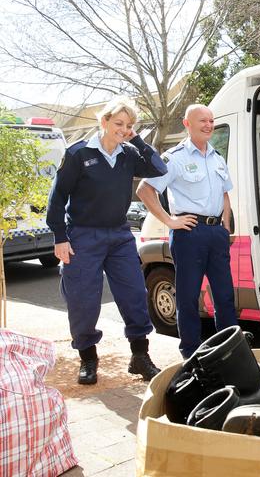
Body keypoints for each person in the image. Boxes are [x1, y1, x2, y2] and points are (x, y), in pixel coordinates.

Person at [46, 96, 166, 385]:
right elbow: (57, 196)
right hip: (83, 236)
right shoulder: (78, 153)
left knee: (135, 294)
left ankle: (140, 356)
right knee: (83, 300)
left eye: (128, 125)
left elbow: (159, 168)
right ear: (104, 122)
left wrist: (136, 140)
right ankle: (88, 359)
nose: (123, 129)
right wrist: (59, 237)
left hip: (120, 235)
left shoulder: (128, 154)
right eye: (118, 123)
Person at [136, 104, 237, 359]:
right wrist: (170, 221)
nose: (208, 125)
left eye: (211, 120)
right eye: (202, 120)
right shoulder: (175, 157)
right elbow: (145, 190)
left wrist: (226, 226)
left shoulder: (217, 157)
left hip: (216, 235)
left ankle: (229, 350)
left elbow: (225, 193)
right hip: (189, 234)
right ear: (187, 124)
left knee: (225, 296)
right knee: (188, 299)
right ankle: (191, 353)